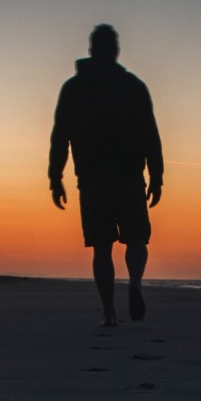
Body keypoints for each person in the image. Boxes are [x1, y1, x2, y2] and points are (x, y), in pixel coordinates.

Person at [49, 24, 163, 326]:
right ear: (115, 51)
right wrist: (157, 175)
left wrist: (55, 177)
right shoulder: (133, 86)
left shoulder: (73, 88)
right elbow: (151, 135)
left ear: (90, 51)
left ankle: (110, 312)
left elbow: (60, 136)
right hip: (129, 176)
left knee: (102, 246)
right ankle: (135, 281)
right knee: (137, 239)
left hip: (92, 178)